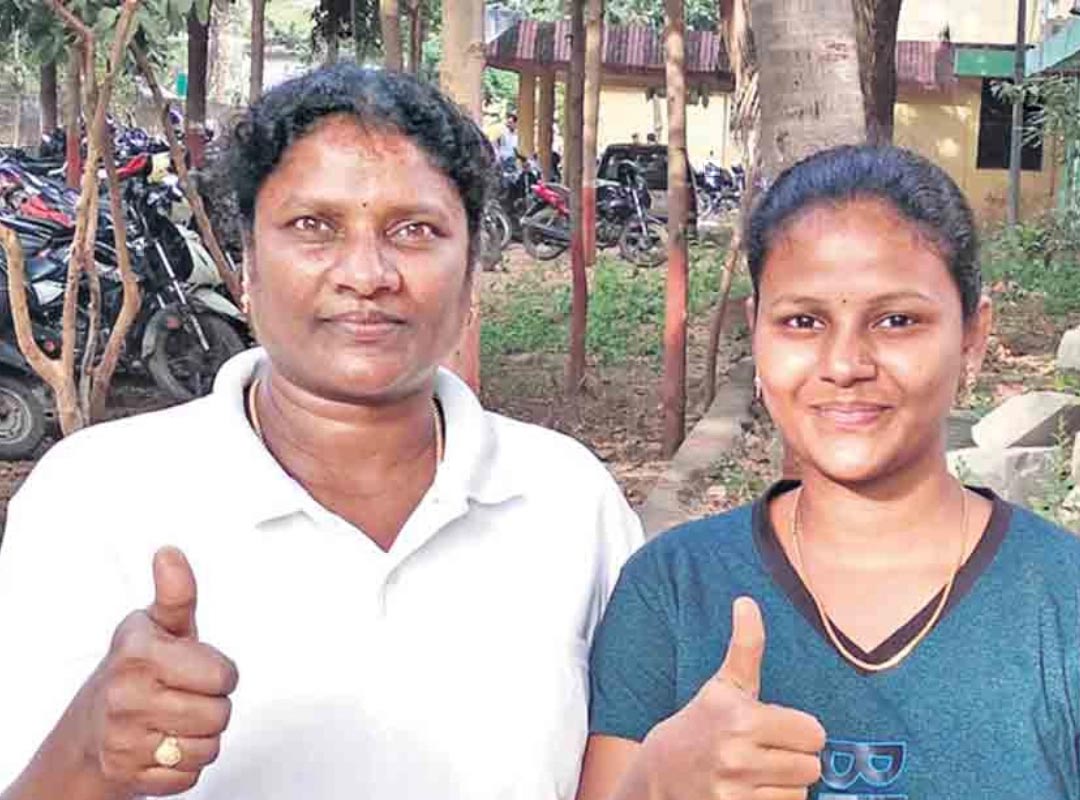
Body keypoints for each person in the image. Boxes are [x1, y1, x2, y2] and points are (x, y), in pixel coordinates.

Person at [0, 64, 642, 800]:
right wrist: (89, 752)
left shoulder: (568, 500)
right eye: (313, 226)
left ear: (470, 275)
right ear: (247, 265)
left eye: (415, 230)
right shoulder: (93, 498)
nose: (366, 274)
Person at [576, 145, 1080, 800]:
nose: (845, 364)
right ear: (757, 333)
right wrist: (655, 784)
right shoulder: (672, 590)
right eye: (803, 321)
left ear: (972, 338)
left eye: (897, 320)